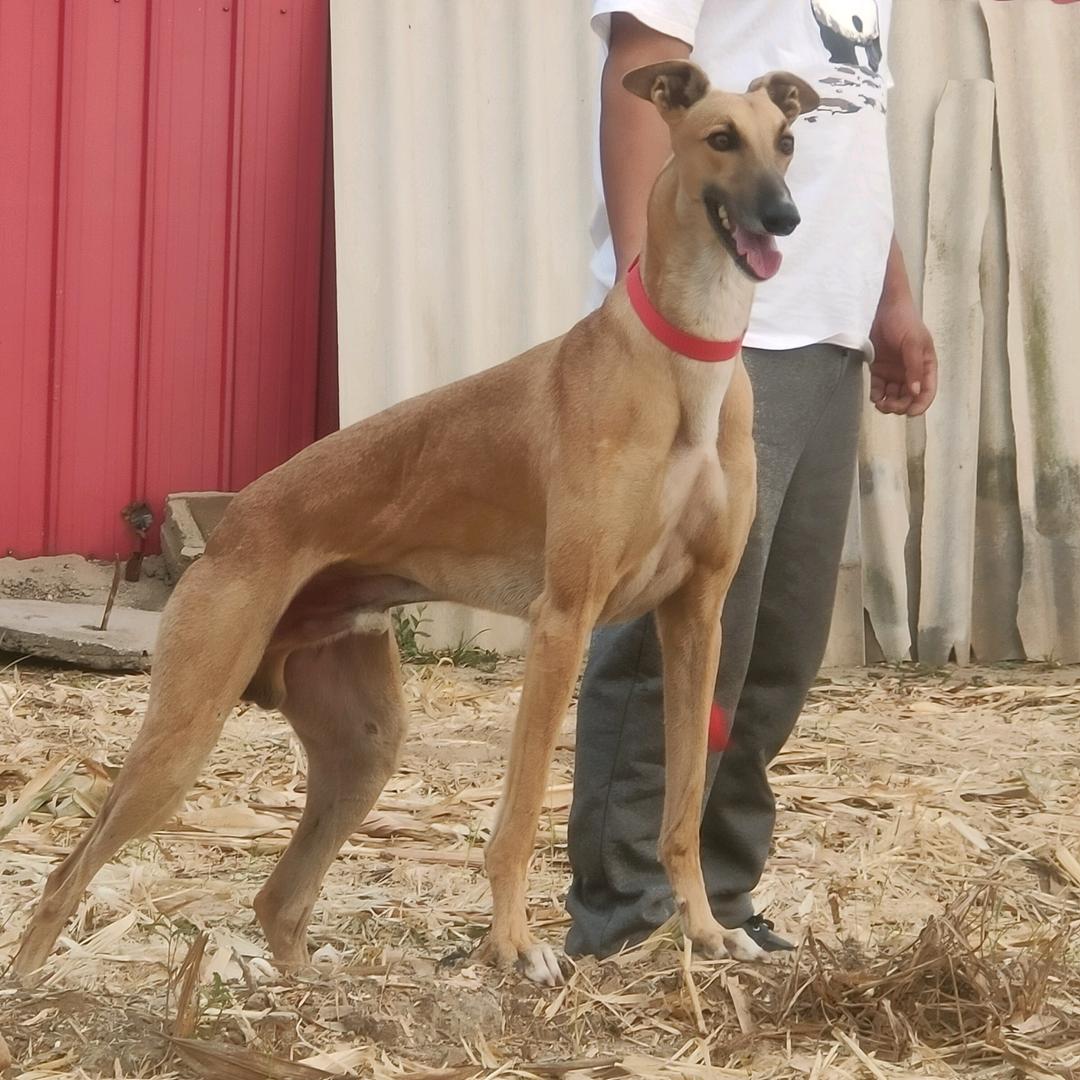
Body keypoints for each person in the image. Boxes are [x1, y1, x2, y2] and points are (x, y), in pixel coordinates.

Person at [566, 0, 938, 959]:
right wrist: (650, 295)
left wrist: (890, 299)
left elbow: (852, 136)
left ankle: (717, 899)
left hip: (826, 327)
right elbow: (639, 80)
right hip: (719, 332)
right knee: (675, 635)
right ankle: (627, 915)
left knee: (775, 646)